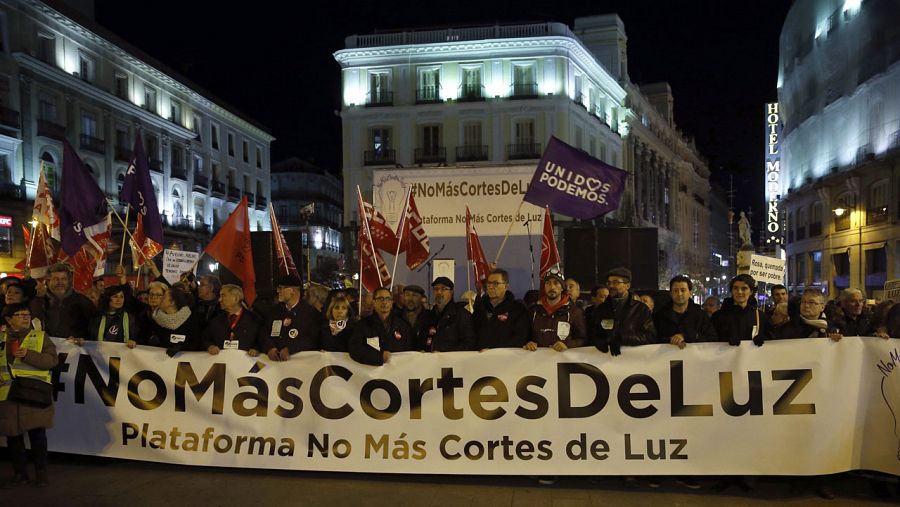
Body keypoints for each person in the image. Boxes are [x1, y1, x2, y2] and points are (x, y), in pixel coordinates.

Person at [0, 303, 58, 488]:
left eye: (27, 314)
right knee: (13, 437)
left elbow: (51, 360)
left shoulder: (40, 337)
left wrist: (28, 355)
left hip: (34, 395)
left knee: (37, 436)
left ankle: (41, 474)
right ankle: (20, 472)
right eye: (20, 314)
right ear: (9, 319)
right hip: (8, 396)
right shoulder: (2, 339)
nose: (25, 317)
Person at [589, 267, 656, 355]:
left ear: (627, 285)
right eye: (609, 283)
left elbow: (650, 336)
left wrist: (622, 338)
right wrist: (600, 342)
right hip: (606, 362)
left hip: (634, 361)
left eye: (615, 282)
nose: (611, 286)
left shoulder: (641, 309)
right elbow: (592, 333)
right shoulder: (601, 309)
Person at [259, 275, 322, 361]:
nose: (278, 291)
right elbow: (264, 332)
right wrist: (270, 347)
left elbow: (313, 339)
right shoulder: (274, 311)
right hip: (274, 366)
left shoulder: (311, 313)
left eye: (281, 288)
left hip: (299, 365)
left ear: (292, 291)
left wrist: (290, 349)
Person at [348, 286, 413, 365]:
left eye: (388, 299)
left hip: (397, 373)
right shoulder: (363, 324)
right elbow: (355, 349)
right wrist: (379, 356)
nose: (384, 302)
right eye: (381, 299)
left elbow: (410, 351)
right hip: (372, 373)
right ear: (374, 302)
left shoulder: (403, 325)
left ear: (392, 302)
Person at [34, 263, 96, 342]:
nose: (60, 282)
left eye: (64, 279)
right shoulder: (39, 301)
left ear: (69, 281)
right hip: (45, 350)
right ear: (48, 281)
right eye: (56, 279)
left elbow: (94, 327)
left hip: (73, 351)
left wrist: (83, 339)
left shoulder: (83, 302)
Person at [527, 269, 587, 351]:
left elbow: (583, 339)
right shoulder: (533, 311)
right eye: (548, 283)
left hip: (562, 361)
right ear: (544, 287)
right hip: (538, 361)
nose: (552, 287)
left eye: (556, 283)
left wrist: (567, 345)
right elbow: (523, 336)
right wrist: (528, 343)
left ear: (562, 288)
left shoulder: (574, 312)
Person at [654, 275, 717, 348]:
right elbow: (653, 338)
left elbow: (712, 338)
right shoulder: (660, 315)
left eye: (683, 290)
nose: (679, 294)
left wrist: (688, 336)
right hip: (666, 358)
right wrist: (670, 340)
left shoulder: (700, 315)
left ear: (690, 293)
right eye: (675, 290)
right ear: (671, 294)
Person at [473, 268, 529, 350]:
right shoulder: (480, 307)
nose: (491, 287)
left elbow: (521, 337)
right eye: (488, 283)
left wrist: (494, 350)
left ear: (506, 286)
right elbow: (473, 334)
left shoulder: (518, 309)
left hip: (508, 357)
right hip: (481, 357)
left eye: (495, 283)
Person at [711, 274, 771, 346]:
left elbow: (772, 340)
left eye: (744, 288)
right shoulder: (718, 316)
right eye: (735, 288)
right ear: (732, 291)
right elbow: (711, 339)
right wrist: (725, 339)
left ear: (751, 292)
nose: (739, 292)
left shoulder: (760, 316)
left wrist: (764, 339)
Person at [201, 284, 261, 356]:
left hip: (246, 363)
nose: (219, 300)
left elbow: (261, 339)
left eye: (223, 296)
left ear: (236, 298)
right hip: (222, 362)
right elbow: (206, 338)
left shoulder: (254, 319)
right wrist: (210, 346)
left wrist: (256, 348)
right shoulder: (216, 320)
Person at [421, 277, 476, 352]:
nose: (439, 292)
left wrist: (444, 354)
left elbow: (469, 343)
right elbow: (422, 340)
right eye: (436, 289)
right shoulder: (428, 316)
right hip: (430, 361)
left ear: (451, 292)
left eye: (443, 289)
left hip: (451, 362)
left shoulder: (461, 314)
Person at [148, 288, 200, 356]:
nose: (160, 300)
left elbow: (196, 343)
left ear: (172, 302)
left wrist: (181, 347)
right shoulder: (156, 319)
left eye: (163, 298)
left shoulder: (190, 320)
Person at [776, 288, 841, 340]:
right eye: (803, 302)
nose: (806, 305)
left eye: (811, 302)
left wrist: (834, 341)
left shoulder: (832, 327)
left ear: (822, 307)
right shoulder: (788, 328)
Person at [399, 285, 430, 349]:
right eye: (407, 295)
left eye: (415, 295)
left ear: (421, 298)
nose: (410, 299)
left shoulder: (430, 317)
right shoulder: (396, 317)